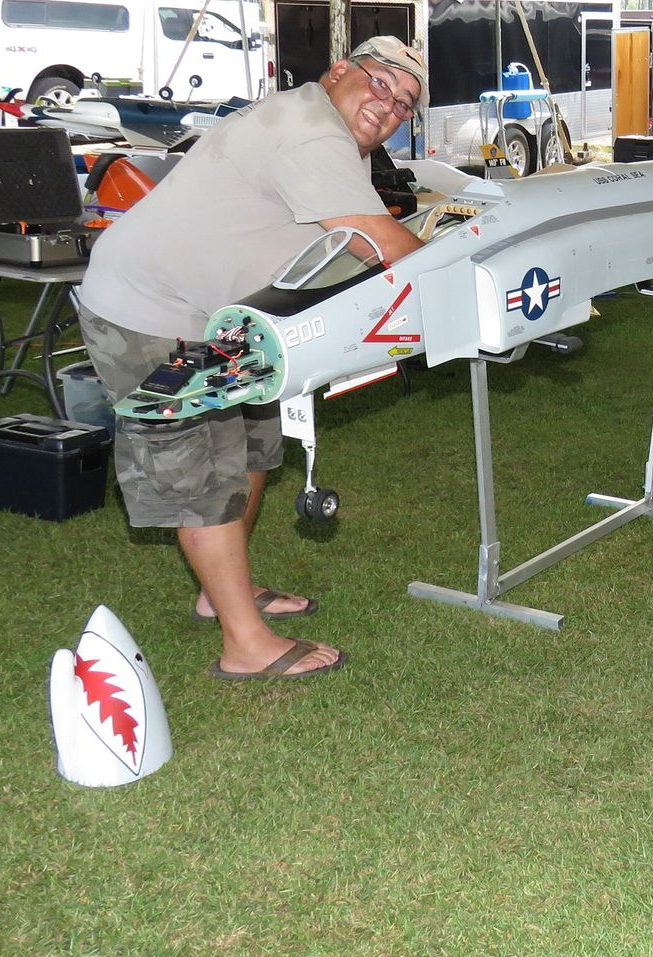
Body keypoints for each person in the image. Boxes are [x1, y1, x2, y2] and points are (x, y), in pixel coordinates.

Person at [75, 36, 427, 682]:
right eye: (382, 83)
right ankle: (244, 643)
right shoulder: (312, 132)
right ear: (339, 71)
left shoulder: (326, 130)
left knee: (253, 453)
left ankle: (223, 593)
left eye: (405, 103)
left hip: (233, 318)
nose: (391, 106)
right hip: (152, 316)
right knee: (203, 476)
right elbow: (384, 246)